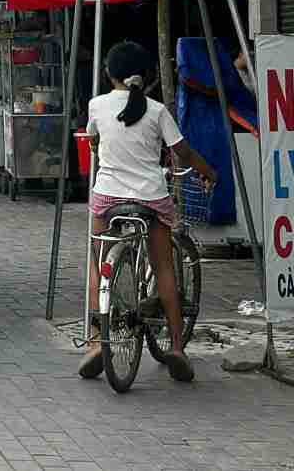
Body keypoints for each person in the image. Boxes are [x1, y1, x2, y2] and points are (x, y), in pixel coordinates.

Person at [79, 40, 217, 383]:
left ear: (108, 73)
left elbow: (93, 140)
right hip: (151, 199)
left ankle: (97, 340)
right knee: (164, 267)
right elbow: (182, 151)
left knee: (97, 264)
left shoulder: (97, 105)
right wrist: (208, 171)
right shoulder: (156, 111)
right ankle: (175, 346)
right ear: (148, 75)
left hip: (107, 196)